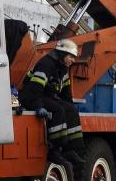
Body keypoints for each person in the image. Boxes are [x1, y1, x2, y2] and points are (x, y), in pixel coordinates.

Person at [18, 38, 85, 166]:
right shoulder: (46, 64)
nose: (73, 60)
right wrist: (38, 106)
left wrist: (70, 106)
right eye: (71, 56)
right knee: (58, 110)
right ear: (62, 54)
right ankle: (54, 150)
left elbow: (66, 92)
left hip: (46, 97)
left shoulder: (62, 68)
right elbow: (35, 88)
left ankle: (69, 150)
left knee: (70, 110)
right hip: (32, 97)